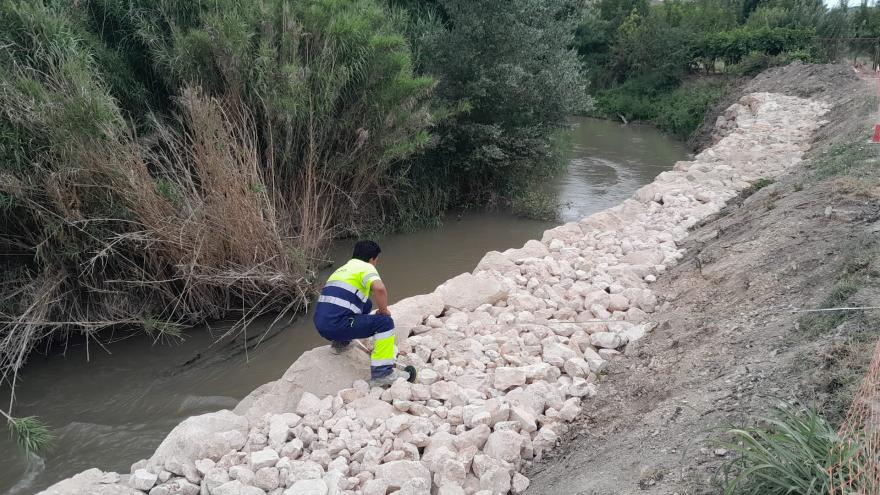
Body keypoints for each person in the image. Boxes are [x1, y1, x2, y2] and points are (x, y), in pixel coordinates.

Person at [313, 240, 402, 386]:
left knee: (366, 303)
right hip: (337, 325)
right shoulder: (366, 267)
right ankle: (382, 373)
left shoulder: (342, 269)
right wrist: (383, 311)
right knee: (385, 323)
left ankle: (340, 343)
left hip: (321, 324)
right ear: (372, 259)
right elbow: (379, 289)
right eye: (376, 260)